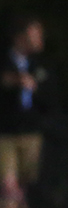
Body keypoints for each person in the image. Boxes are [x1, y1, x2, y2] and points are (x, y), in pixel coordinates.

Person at [0, 14, 52, 191]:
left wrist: (35, 88)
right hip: (5, 134)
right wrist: (12, 82)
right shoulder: (4, 61)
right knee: (9, 189)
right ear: (20, 36)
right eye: (34, 33)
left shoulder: (41, 66)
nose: (39, 38)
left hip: (31, 133)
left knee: (23, 190)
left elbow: (50, 100)